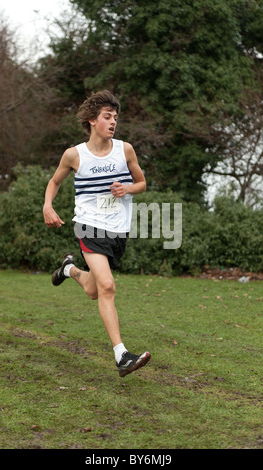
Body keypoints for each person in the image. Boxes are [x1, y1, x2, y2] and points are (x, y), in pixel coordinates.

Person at [43, 90, 151, 377]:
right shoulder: (74, 155)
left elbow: (141, 183)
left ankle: (69, 271)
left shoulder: (124, 150)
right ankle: (122, 355)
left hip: (118, 228)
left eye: (115, 117)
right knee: (107, 285)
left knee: (94, 289)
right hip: (88, 226)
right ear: (92, 120)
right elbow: (54, 182)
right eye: (107, 117)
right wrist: (47, 205)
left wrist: (128, 188)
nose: (113, 122)